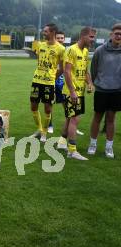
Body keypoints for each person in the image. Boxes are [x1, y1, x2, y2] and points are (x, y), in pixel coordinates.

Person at [57, 27, 96, 160]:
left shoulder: (85, 51)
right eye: (91, 37)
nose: (93, 39)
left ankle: (62, 142)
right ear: (83, 36)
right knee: (75, 119)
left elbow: (85, 70)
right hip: (71, 92)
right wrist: (72, 91)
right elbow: (67, 72)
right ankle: (72, 151)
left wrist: (89, 83)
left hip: (80, 91)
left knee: (70, 118)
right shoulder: (71, 50)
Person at [88, 23, 121, 158]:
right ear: (111, 34)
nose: (119, 36)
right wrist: (97, 83)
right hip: (101, 90)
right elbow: (93, 69)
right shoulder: (100, 50)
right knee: (97, 117)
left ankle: (109, 147)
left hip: (117, 90)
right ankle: (93, 144)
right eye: (117, 33)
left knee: (111, 119)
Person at [29, 23, 65, 142]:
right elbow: (39, 61)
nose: (43, 33)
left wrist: (54, 77)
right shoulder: (40, 45)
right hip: (37, 80)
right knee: (33, 106)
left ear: (52, 32)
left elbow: (62, 67)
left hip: (49, 83)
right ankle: (39, 129)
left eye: (45, 31)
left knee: (48, 109)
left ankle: (44, 132)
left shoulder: (61, 49)